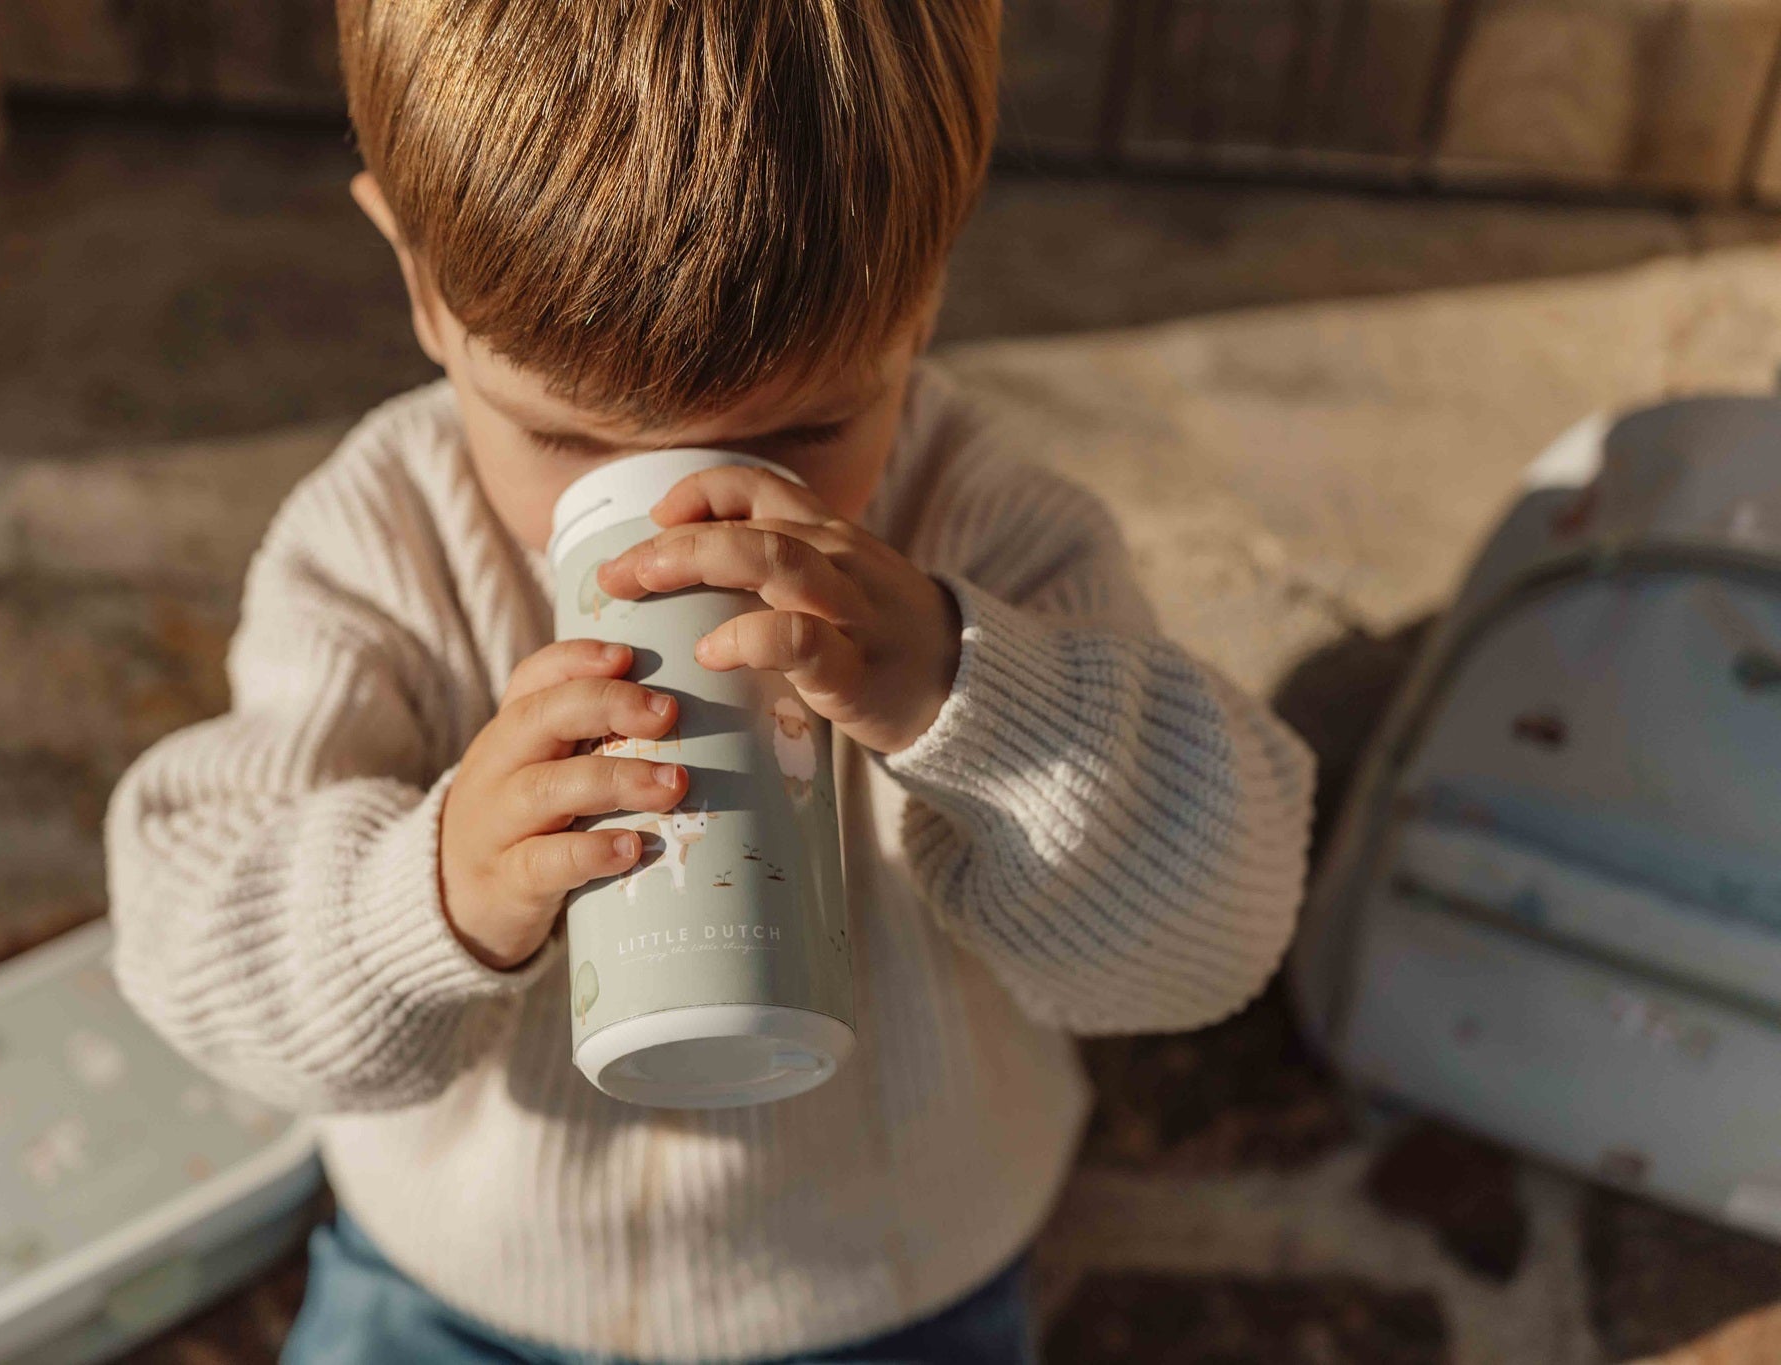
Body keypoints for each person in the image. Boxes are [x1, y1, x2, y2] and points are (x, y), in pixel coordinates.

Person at [103, 2, 1316, 1361]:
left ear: (922, 300)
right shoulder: (386, 536)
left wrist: (970, 692)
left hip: (887, 1286)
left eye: (806, 430)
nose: (694, 512)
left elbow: (1220, 930)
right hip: (460, 1285)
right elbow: (181, 927)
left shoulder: (986, 528)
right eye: (567, 436)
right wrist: (432, 888)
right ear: (426, 287)